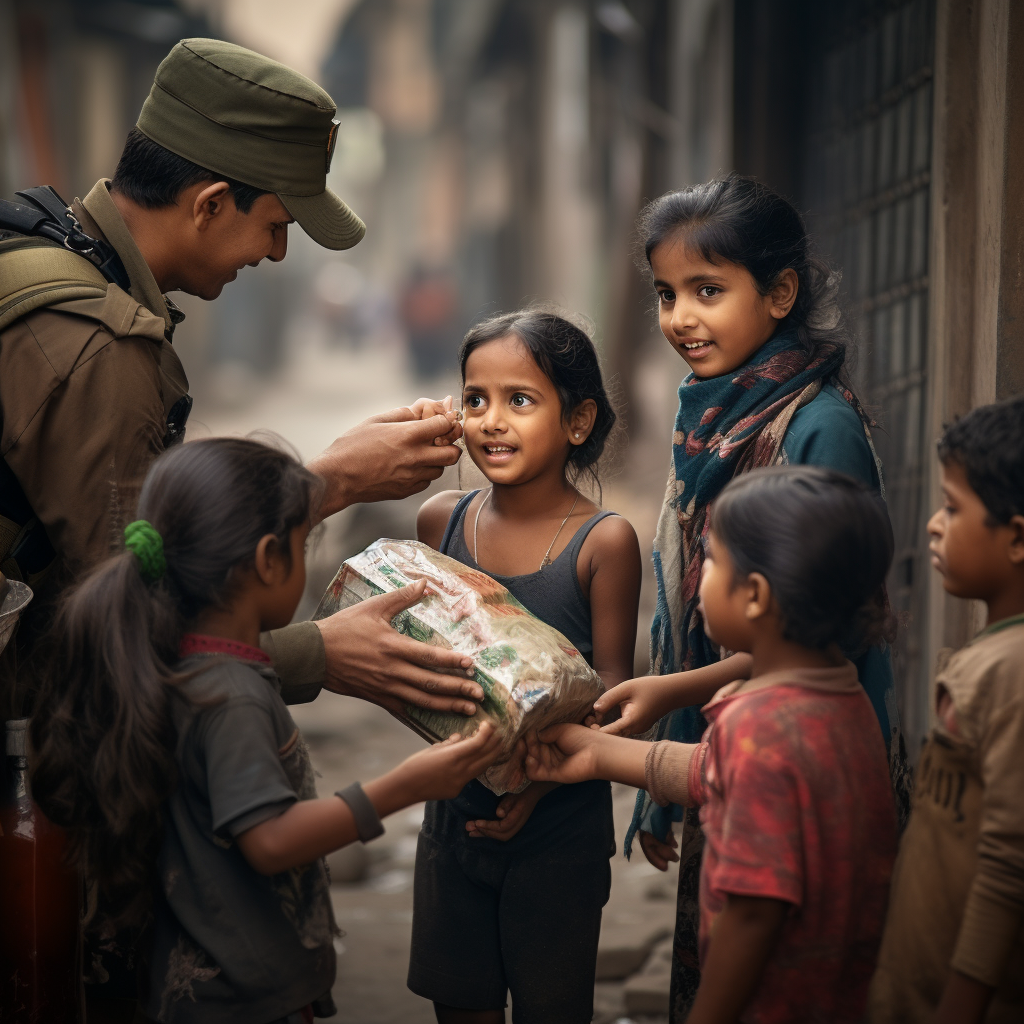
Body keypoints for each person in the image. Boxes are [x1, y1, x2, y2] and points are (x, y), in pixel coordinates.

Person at [0, 37, 478, 728]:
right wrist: (319, 651)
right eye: (276, 225)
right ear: (211, 204)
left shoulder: (39, 251)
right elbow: (135, 638)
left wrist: (328, 478)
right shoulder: (102, 352)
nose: (278, 253)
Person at [28, 436, 503, 1024]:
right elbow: (270, 840)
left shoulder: (173, 667)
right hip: (240, 997)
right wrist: (406, 786)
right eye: (304, 545)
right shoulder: (232, 698)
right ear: (268, 560)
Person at [585, 174, 910, 1018]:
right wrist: (674, 730)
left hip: (801, 763)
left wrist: (673, 709)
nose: (680, 318)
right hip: (741, 735)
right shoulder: (716, 415)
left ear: (780, 293)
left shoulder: (814, 426)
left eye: (708, 290)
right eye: (666, 294)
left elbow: (812, 634)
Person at [526, 465, 900, 1024]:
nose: (699, 576)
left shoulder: (759, 728)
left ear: (754, 596)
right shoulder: (837, 697)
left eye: (714, 560)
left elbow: (753, 913)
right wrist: (597, 753)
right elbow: (724, 773)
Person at [405, 310, 642, 1024]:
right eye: (475, 399)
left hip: (558, 830)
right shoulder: (440, 520)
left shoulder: (603, 544)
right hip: (454, 818)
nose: (491, 421)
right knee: (461, 1004)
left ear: (578, 421)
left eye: (521, 400)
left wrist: (533, 787)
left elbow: (608, 698)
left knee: (552, 1007)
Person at [869, 396, 1024, 1024]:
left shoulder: (1013, 672)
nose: (933, 524)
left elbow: (1010, 862)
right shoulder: (994, 653)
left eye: (953, 509)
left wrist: (960, 1004)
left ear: (1015, 538)